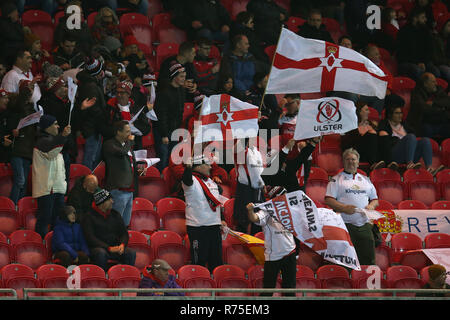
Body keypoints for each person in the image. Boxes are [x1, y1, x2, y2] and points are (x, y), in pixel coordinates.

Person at [325, 148, 379, 266]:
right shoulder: (336, 179)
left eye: (353, 159)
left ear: (358, 162)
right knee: (345, 260)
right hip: (344, 225)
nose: (351, 162)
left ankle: (365, 281)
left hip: (364, 225)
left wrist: (371, 206)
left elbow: (375, 199)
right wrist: (344, 208)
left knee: (368, 260)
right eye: (348, 159)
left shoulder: (366, 180)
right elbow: (328, 200)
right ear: (343, 162)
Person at [182, 154, 227, 273]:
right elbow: (186, 179)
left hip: (214, 226)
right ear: (198, 166)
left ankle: (215, 289)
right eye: (207, 164)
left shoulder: (212, 182)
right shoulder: (190, 181)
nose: (210, 167)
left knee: (217, 261)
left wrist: (221, 219)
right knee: (199, 262)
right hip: (198, 227)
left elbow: (217, 202)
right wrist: (188, 168)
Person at [246, 193, 297, 297]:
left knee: (290, 289)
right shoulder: (267, 211)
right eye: (283, 197)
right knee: (268, 289)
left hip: (290, 252)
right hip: (273, 255)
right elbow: (255, 218)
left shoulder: (291, 210)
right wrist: (250, 210)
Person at [32, 114, 71, 238]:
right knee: (44, 219)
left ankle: (54, 246)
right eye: (55, 124)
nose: (58, 126)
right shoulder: (42, 142)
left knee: (58, 220)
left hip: (57, 188)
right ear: (47, 127)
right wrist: (63, 136)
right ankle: (41, 244)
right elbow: (51, 152)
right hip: (46, 189)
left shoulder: (55, 142)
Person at [82, 188, 136, 271]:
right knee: (100, 253)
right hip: (98, 248)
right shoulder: (89, 216)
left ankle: (126, 277)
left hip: (115, 247)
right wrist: (108, 248)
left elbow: (124, 233)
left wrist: (122, 244)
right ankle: (102, 277)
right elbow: (90, 238)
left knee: (131, 253)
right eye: (109, 200)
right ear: (101, 203)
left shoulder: (115, 214)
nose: (112, 202)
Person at [378, 103, 441, 175]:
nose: (400, 115)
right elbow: (384, 143)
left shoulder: (405, 125)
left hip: (409, 153)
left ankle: (429, 168)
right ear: (390, 114)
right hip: (394, 155)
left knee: (425, 140)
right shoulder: (384, 125)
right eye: (397, 113)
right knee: (410, 137)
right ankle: (410, 163)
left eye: (401, 113)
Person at [73, 57, 112, 170]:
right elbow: (94, 110)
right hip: (92, 128)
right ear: (97, 73)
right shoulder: (91, 87)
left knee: (92, 157)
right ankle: (87, 182)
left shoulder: (89, 83)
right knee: (91, 158)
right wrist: (103, 122)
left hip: (93, 127)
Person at [102, 120, 143, 227]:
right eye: (127, 131)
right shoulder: (109, 144)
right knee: (115, 223)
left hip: (130, 189)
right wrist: (130, 142)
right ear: (118, 132)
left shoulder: (127, 145)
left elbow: (131, 164)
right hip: (118, 189)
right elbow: (121, 153)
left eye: (130, 131)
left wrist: (139, 169)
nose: (130, 134)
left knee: (125, 224)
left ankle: (122, 243)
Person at [38, 76, 77, 182]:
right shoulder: (49, 104)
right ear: (56, 89)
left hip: (64, 146)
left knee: (65, 178)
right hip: (55, 146)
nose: (66, 89)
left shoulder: (64, 103)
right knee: (58, 179)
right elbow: (61, 120)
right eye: (63, 86)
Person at [7, 80, 39, 205]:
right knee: (20, 180)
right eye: (28, 88)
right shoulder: (16, 105)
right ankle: (12, 206)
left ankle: (20, 208)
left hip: (28, 148)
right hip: (18, 148)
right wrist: (26, 89)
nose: (31, 91)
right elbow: (18, 106)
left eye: (32, 88)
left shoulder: (31, 107)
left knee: (24, 183)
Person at [154, 62, 186, 171]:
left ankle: (169, 179)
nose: (183, 79)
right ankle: (161, 178)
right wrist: (164, 134)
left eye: (184, 76)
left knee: (172, 158)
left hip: (174, 130)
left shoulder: (181, 90)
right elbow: (161, 115)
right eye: (181, 76)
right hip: (163, 131)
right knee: (163, 157)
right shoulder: (164, 93)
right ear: (174, 76)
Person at [341, 101, 387, 171]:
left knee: (383, 133)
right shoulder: (352, 126)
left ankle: (388, 162)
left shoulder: (372, 124)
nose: (369, 112)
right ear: (359, 112)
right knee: (371, 133)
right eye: (366, 110)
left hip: (374, 152)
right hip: (358, 152)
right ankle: (373, 163)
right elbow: (347, 144)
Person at [106, 80, 151, 150]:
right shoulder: (110, 107)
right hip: (116, 147)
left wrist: (133, 126)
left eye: (122, 92)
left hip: (135, 147)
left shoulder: (136, 108)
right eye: (117, 92)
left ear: (128, 94)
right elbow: (104, 127)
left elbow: (147, 128)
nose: (118, 95)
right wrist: (120, 131)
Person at [395, 7, 437, 81]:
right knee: (417, 70)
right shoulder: (404, 32)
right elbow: (402, 53)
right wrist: (417, 62)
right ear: (415, 18)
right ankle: (419, 91)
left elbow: (430, 49)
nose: (425, 20)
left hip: (424, 62)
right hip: (407, 62)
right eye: (423, 17)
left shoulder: (425, 31)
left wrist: (423, 62)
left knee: (435, 71)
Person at [407, 72, 450, 139]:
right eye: (433, 82)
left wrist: (434, 103)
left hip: (441, 122)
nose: (436, 83)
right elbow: (424, 109)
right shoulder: (417, 92)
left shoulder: (438, 89)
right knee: (426, 130)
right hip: (425, 123)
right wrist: (441, 109)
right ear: (425, 84)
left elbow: (447, 101)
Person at [0, 89, 12, 163]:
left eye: (8, 98)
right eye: (4, 98)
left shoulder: (7, 114)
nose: (7, 100)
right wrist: (1, 140)